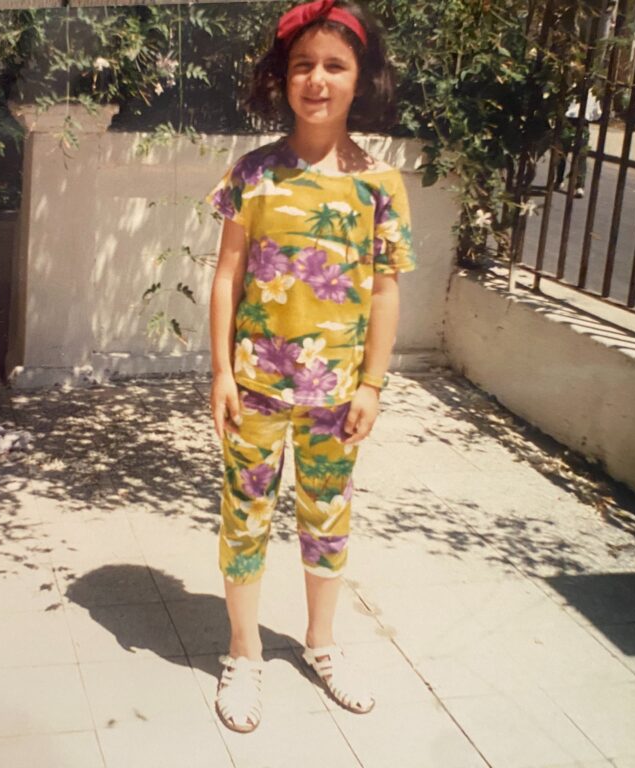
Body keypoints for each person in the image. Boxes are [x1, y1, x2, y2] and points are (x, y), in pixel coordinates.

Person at [204, 0, 415, 734]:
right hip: (255, 389)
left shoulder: (381, 185)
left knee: (327, 519)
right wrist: (222, 373)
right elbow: (227, 274)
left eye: (334, 65)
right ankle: (243, 652)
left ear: (361, 79)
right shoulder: (254, 174)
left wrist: (373, 384)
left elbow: (386, 289)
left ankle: (323, 644)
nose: (316, 80)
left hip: (336, 397)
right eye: (302, 65)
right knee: (246, 517)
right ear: (281, 78)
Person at [555, 87, 602, 198]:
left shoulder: (591, 90)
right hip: (569, 120)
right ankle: (560, 179)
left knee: (581, 153)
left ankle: (579, 185)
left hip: (581, 122)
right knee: (562, 152)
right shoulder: (572, 85)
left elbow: (597, 110)